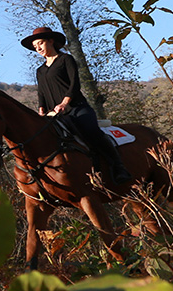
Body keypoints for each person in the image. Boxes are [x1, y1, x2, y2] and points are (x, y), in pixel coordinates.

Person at [22, 26, 132, 185]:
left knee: (91, 131)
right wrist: (41, 110)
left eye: (40, 43)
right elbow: (41, 93)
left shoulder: (66, 59)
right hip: (53, 114)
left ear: (51, 41)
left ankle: (118, 166)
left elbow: (74, 84)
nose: (38, 48)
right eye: (35, 46)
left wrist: (65, 103)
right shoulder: (40, 70)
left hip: (76, 108)